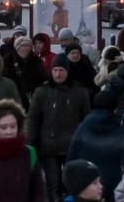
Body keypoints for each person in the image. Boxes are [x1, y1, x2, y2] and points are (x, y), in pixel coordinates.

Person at [26, 53, 91, 202]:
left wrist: (85, 143)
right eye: (55, 70)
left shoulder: (79, 92)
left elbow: (86, 119)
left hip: (72, 146)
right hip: (49, 147)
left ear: (67, 72)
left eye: (61, 70)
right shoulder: (41, 92)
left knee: (71, 185)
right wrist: (30, 143)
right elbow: (33, 118)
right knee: (52, 185)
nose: (58, 74)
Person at [67, 91, 124, 202]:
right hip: (112, 183)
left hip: (85, 183)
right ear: (114, 107)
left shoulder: (82, 127)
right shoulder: (119, 129)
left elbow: (71, 156)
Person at [2, 36, 48, 110]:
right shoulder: (8, 60)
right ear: (17, 47)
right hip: (13, 97)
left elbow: (43, 78)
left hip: (32, 98)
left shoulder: (36, 61)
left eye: (28, 46)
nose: (26, 48)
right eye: (23, 46)